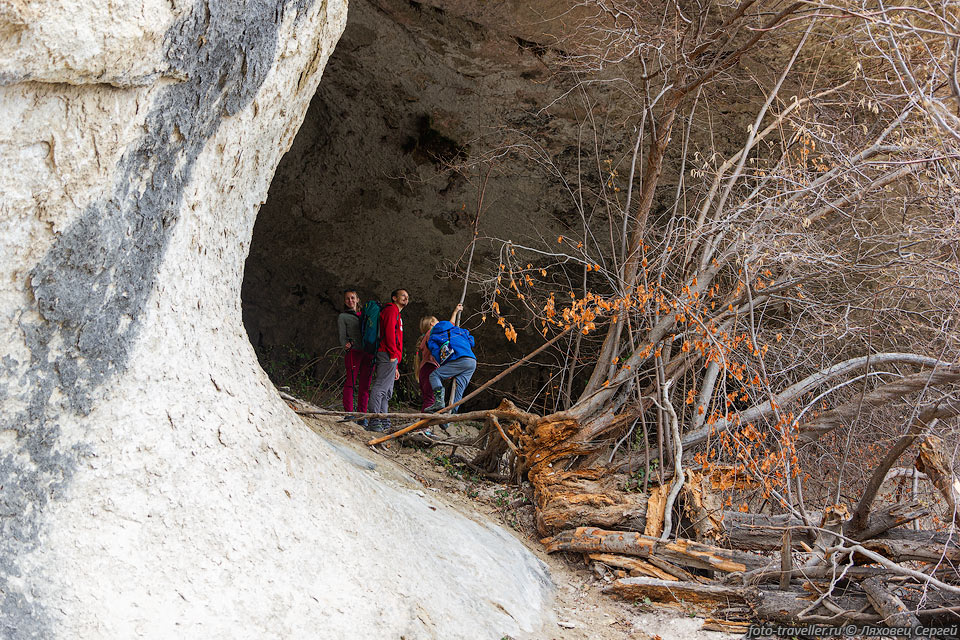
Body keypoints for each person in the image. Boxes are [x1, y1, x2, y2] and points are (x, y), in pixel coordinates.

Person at [368, 288, 409, 431]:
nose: (406, 298)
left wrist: (396, 365)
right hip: (387, 353)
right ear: (394, 298)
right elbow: (390, 333)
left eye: (407, 296)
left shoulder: (397, 313)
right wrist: (393, 354)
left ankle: (384, 421)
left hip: (391, 357)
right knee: (380, 387)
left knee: (387, 391)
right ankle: (374, 421)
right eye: (402, 295)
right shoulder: (391, 310)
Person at [426, 311, 476, 414]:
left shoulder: (433, 337)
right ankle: (449, 418)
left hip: (458, 359)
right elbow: (472, 341)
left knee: (434, 375)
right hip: (471, 361)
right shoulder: (459, 330)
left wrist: (445, 364)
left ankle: (439, 402)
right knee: (459, 389)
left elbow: (437, 354)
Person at [415, 304, 463, 412]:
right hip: (429, 368)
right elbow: (449, 326)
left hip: (426, 369)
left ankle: (424, 426)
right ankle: (423, 427)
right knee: (431, 399)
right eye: (437, 321)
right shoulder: (431, 333)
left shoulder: (427, 337)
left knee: (429, 398)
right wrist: (455, 312)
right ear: (432, 323)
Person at [337, 289, 373, 425]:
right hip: (354, 352)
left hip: (368, 352)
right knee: (350, 382)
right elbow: (342, 336)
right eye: (347, 299)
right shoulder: (343, 317)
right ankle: (349, 413)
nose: (350, 301)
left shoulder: (366, 315)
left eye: (352, 298)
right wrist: (346, 345)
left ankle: (361, 416)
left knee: (365, 385)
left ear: (358, 299)